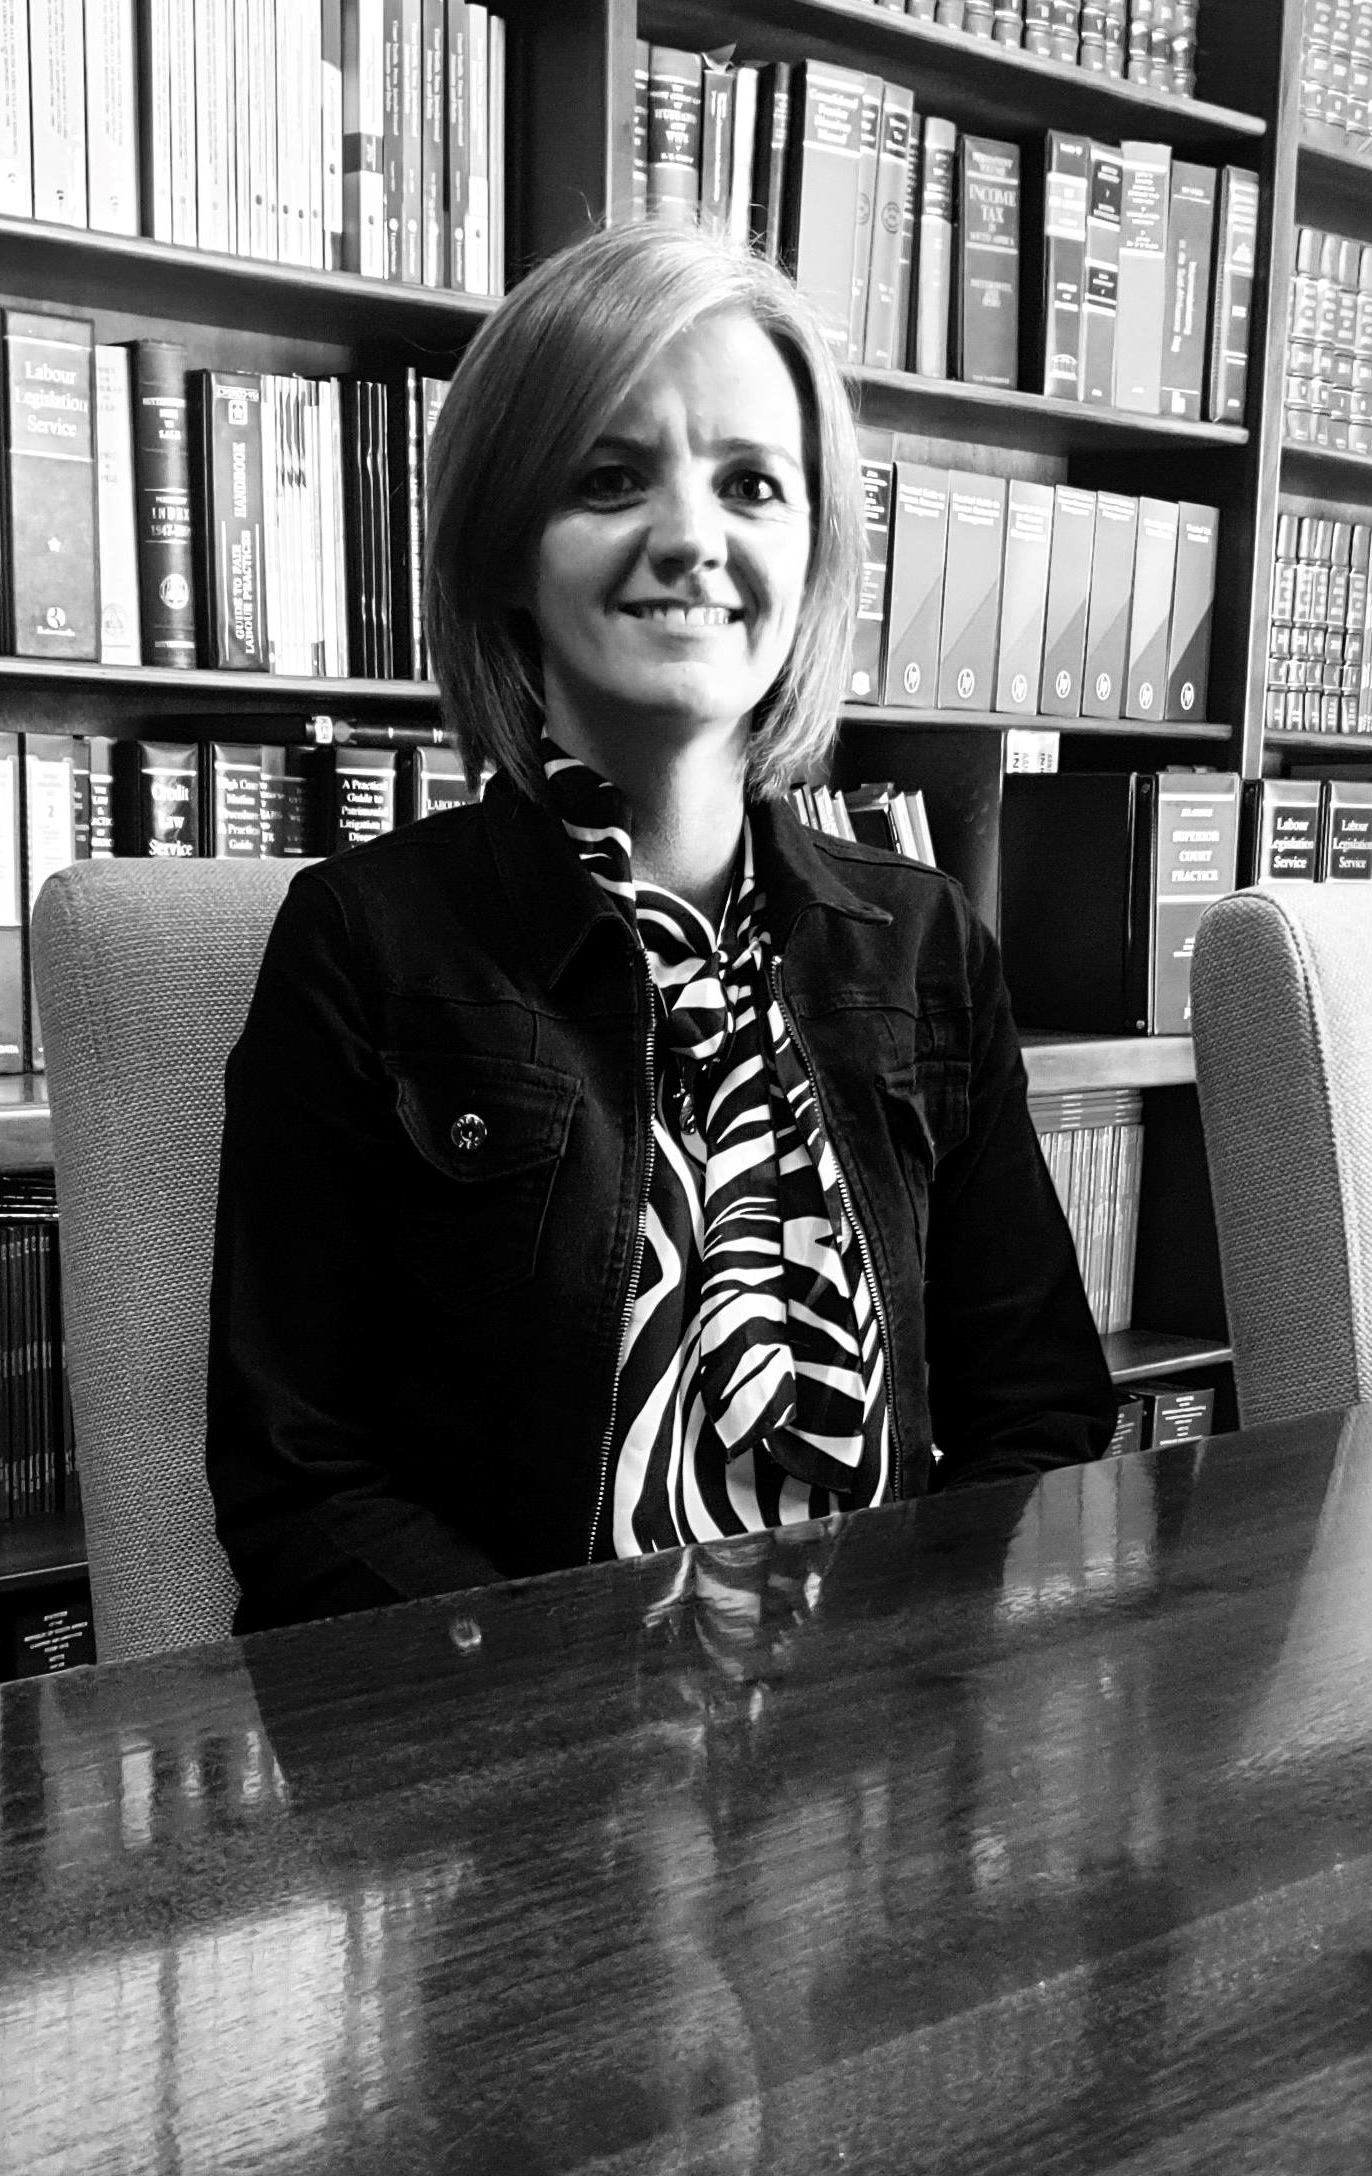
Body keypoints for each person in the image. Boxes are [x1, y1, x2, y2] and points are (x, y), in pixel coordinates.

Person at [206, 220, 1117, 1634]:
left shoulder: (926, 944)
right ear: (506, 549)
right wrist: (577, 1714)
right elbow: (300, 1484)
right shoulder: (362, 946)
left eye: (752, 484)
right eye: (611, 477)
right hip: (501, 1739)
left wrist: (901, 1681)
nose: (692, 539)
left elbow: (1040, 1414)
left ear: (812, 553)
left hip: (875, 1731)